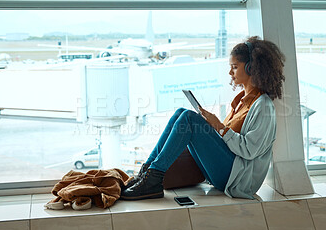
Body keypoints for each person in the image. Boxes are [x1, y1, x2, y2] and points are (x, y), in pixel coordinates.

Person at [121, 36, 285, 200]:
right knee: (180, 113)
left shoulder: (263, 106)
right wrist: (212, 127)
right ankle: (147, 173)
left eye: (234, 67)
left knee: (189, 118)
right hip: (228, 170)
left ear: (251, 68)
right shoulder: (241, 101)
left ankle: (153, 180)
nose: (230, 72)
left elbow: (249, 150)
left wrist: (219, 126)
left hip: (238, 179)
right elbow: (227, 141)